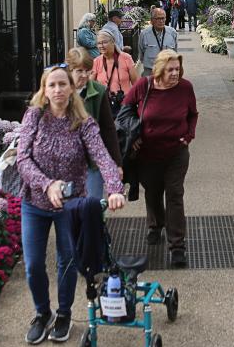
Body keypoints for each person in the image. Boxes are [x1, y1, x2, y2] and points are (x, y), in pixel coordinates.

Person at [17, 65, 126, 344]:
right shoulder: (34, 116)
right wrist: (47, 183)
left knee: (66, 262)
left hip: (71, 205)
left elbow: (102, 157)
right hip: (36, 203)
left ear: (71, 88)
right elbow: (23, 159)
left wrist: (114, 188)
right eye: (51, 85)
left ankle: (64, 314)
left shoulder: (83, 121)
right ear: (44, 89)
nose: (57, 90)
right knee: (33, 265)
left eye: (62, 84)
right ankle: (43, 313)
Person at [122, 50, 198, 267]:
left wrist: (189, 135)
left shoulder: (185, 87)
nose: (175, 73)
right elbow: (125, 110)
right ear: (159, 69)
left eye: (177, 69)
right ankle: (155, 225)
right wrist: (133, 134)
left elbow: (193, 114)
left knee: (175, 194)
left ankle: (177, 245)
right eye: (170, 69)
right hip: (147, 153)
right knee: (153, 192)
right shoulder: (144, 86)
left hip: (176, 152)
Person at [66, 46, 123, 198]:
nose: (84, 75)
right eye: (79, 71)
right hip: (66, 163)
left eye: (87, 71)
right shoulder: (60, 91)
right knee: (69, 210)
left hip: (92, 162)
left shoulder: (98, 91)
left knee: (93, 207)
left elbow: (108, 129)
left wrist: (117, 163)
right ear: (69, 70)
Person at [92, 30, 139, 115]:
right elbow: (90, 86)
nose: (101, 46)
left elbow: (136, 84)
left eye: (104, 42)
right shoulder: (96, 62)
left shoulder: (126, 58)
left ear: (113, 42)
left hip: (125, 105)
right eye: (99, 43)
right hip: (105, 105)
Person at [137, 7, 179, 77]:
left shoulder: (172, 33)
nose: (161, 21)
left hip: (168, 71)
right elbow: (141, 54)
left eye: (163, 18)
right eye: (158, 18)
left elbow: (175, 52)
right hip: (150, 72)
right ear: (152, 20)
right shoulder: (144, 34)